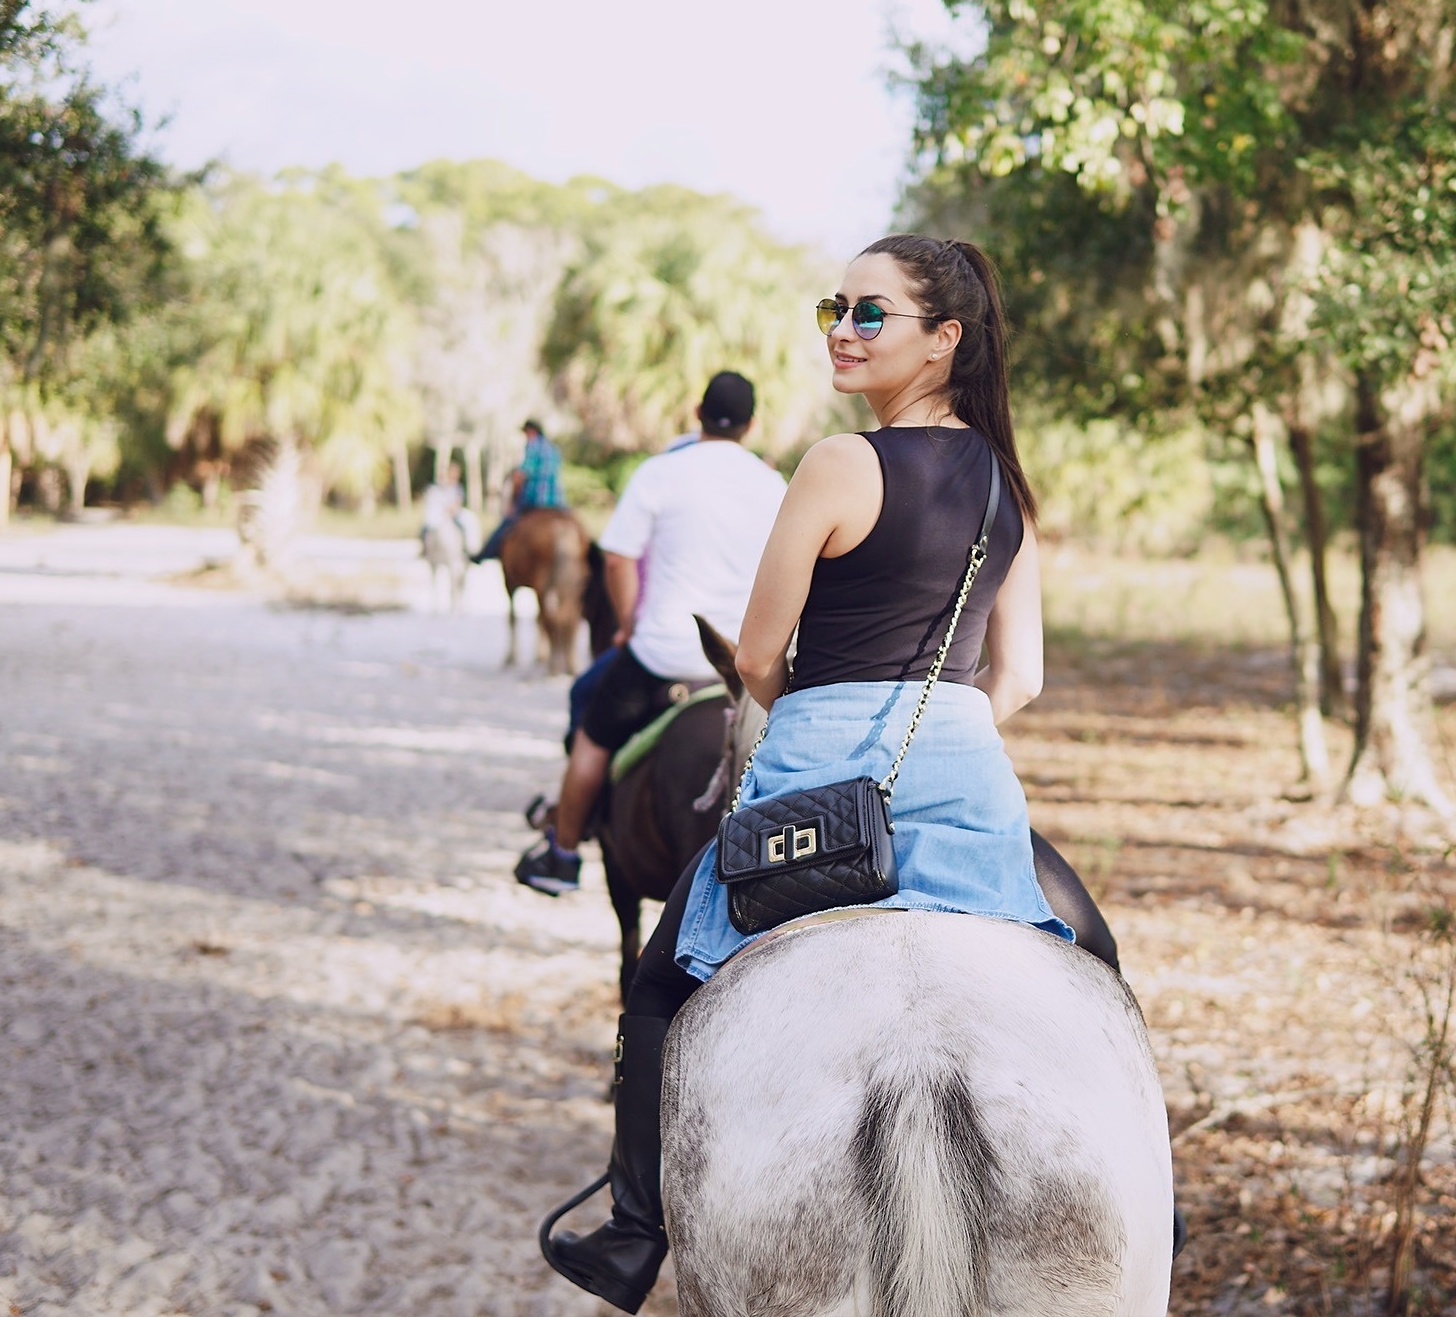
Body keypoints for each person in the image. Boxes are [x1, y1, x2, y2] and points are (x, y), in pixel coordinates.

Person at [536, 235, 1123, 1314]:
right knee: (1094, 956)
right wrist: (942, 720)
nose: (840, 332)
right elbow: (1022, 676)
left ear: (944, 340)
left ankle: (630, 1234)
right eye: (833, 308)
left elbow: (757, 657)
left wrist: (827, 701)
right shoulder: (1006, 484)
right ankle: (1151, 1201)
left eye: (869, 314)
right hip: (959, 770)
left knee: (664, 981)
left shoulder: (837, 464)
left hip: (815, 768)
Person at [514, 372, 786, 896]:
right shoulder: (772, 485)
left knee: (588, 712)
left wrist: (631, 623)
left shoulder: (660, 474)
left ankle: (564, 850)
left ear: (695, 412)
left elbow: (618, 558)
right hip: (745, 665)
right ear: (751, 425)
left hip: (664, 656)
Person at [472, 418, 565, 564]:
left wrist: (514, 501)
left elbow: (520, 477)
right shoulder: (554, 449)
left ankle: (485, 553)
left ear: (530, 431)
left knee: (508, 523)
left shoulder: (533, 445)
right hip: (557, 501)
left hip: (535, 499)